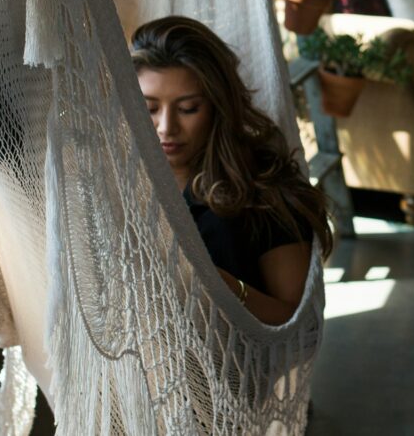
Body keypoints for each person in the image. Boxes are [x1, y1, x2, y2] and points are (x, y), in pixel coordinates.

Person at [131, 16, 333, 326]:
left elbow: (296, 322)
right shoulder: (119, 180)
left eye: (188, 109)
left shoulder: (265, 188)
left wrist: (223, 287)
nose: (166, 127)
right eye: (150, 109)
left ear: (217, 105)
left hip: (232, 366)